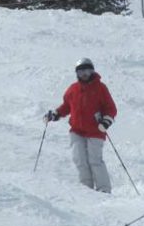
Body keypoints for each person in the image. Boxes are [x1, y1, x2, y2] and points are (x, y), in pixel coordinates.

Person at [44, 58, 118, 193]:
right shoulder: (73, 89)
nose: (84, 74)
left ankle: (104, 189)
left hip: (95, 130)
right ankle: (86, 190)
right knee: (79, 160)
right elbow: (67, 106)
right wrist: (55, 114)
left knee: (95, 160)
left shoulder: (100, 88)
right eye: (81, 72)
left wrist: (106, 121)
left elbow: (110, 108)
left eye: (88, 71)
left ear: (92, 71)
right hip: (77, 131)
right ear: (77, 73)